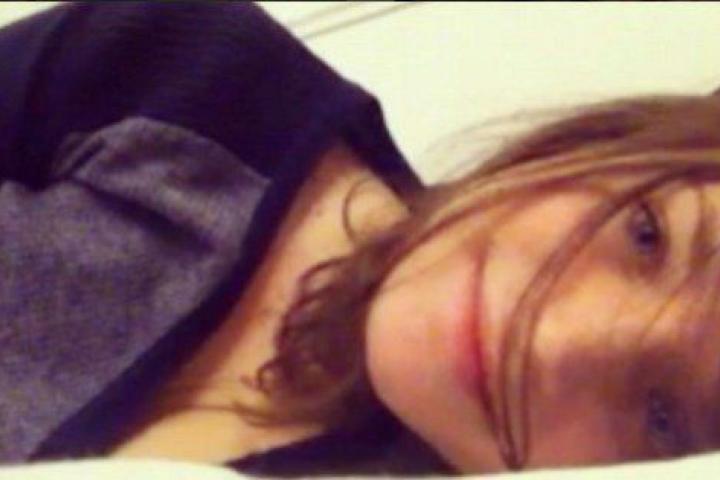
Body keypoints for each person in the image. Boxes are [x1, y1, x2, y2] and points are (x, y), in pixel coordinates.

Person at [2, 1, 720, 476]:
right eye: (647, 235)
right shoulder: (197, 77)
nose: (545, 341)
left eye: (664, 421)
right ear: (612, 143)